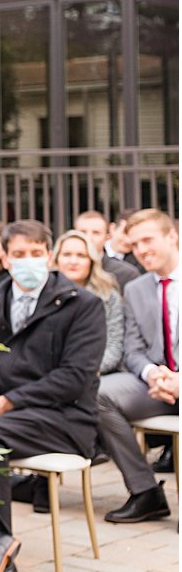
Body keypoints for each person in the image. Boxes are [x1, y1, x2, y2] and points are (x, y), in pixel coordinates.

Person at [0, 220, 105, 572]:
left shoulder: (82, 305)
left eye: (36, 254)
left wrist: (8, 401)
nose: (29, 262)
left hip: (65, 418)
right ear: (5, 259)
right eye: (20, 255)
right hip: (6, 416)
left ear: (49, 256)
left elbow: (75, 377)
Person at [95, 208, 178, 524]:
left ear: (172, 237)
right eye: (136, 243)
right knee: (98, 392)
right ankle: (146, 492)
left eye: (148, 240)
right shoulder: (136, 288)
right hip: (155, 384)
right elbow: (133, 349)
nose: (142, 250)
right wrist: (153, 373)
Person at [53, 229, 125, 375]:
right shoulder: (43, 296)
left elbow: (114, 345)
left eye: (81, 255)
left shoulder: (108, 296)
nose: (73, 261)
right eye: (67, 255)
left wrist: (86, 371)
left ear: (91, 261)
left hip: (97, 373)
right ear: (56, 259)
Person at [75, 209, 142, 288]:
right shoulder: (63, 270)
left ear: (107, 237)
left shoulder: (126, 274)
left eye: (96, 233)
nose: (89, 238)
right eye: (83, 232)